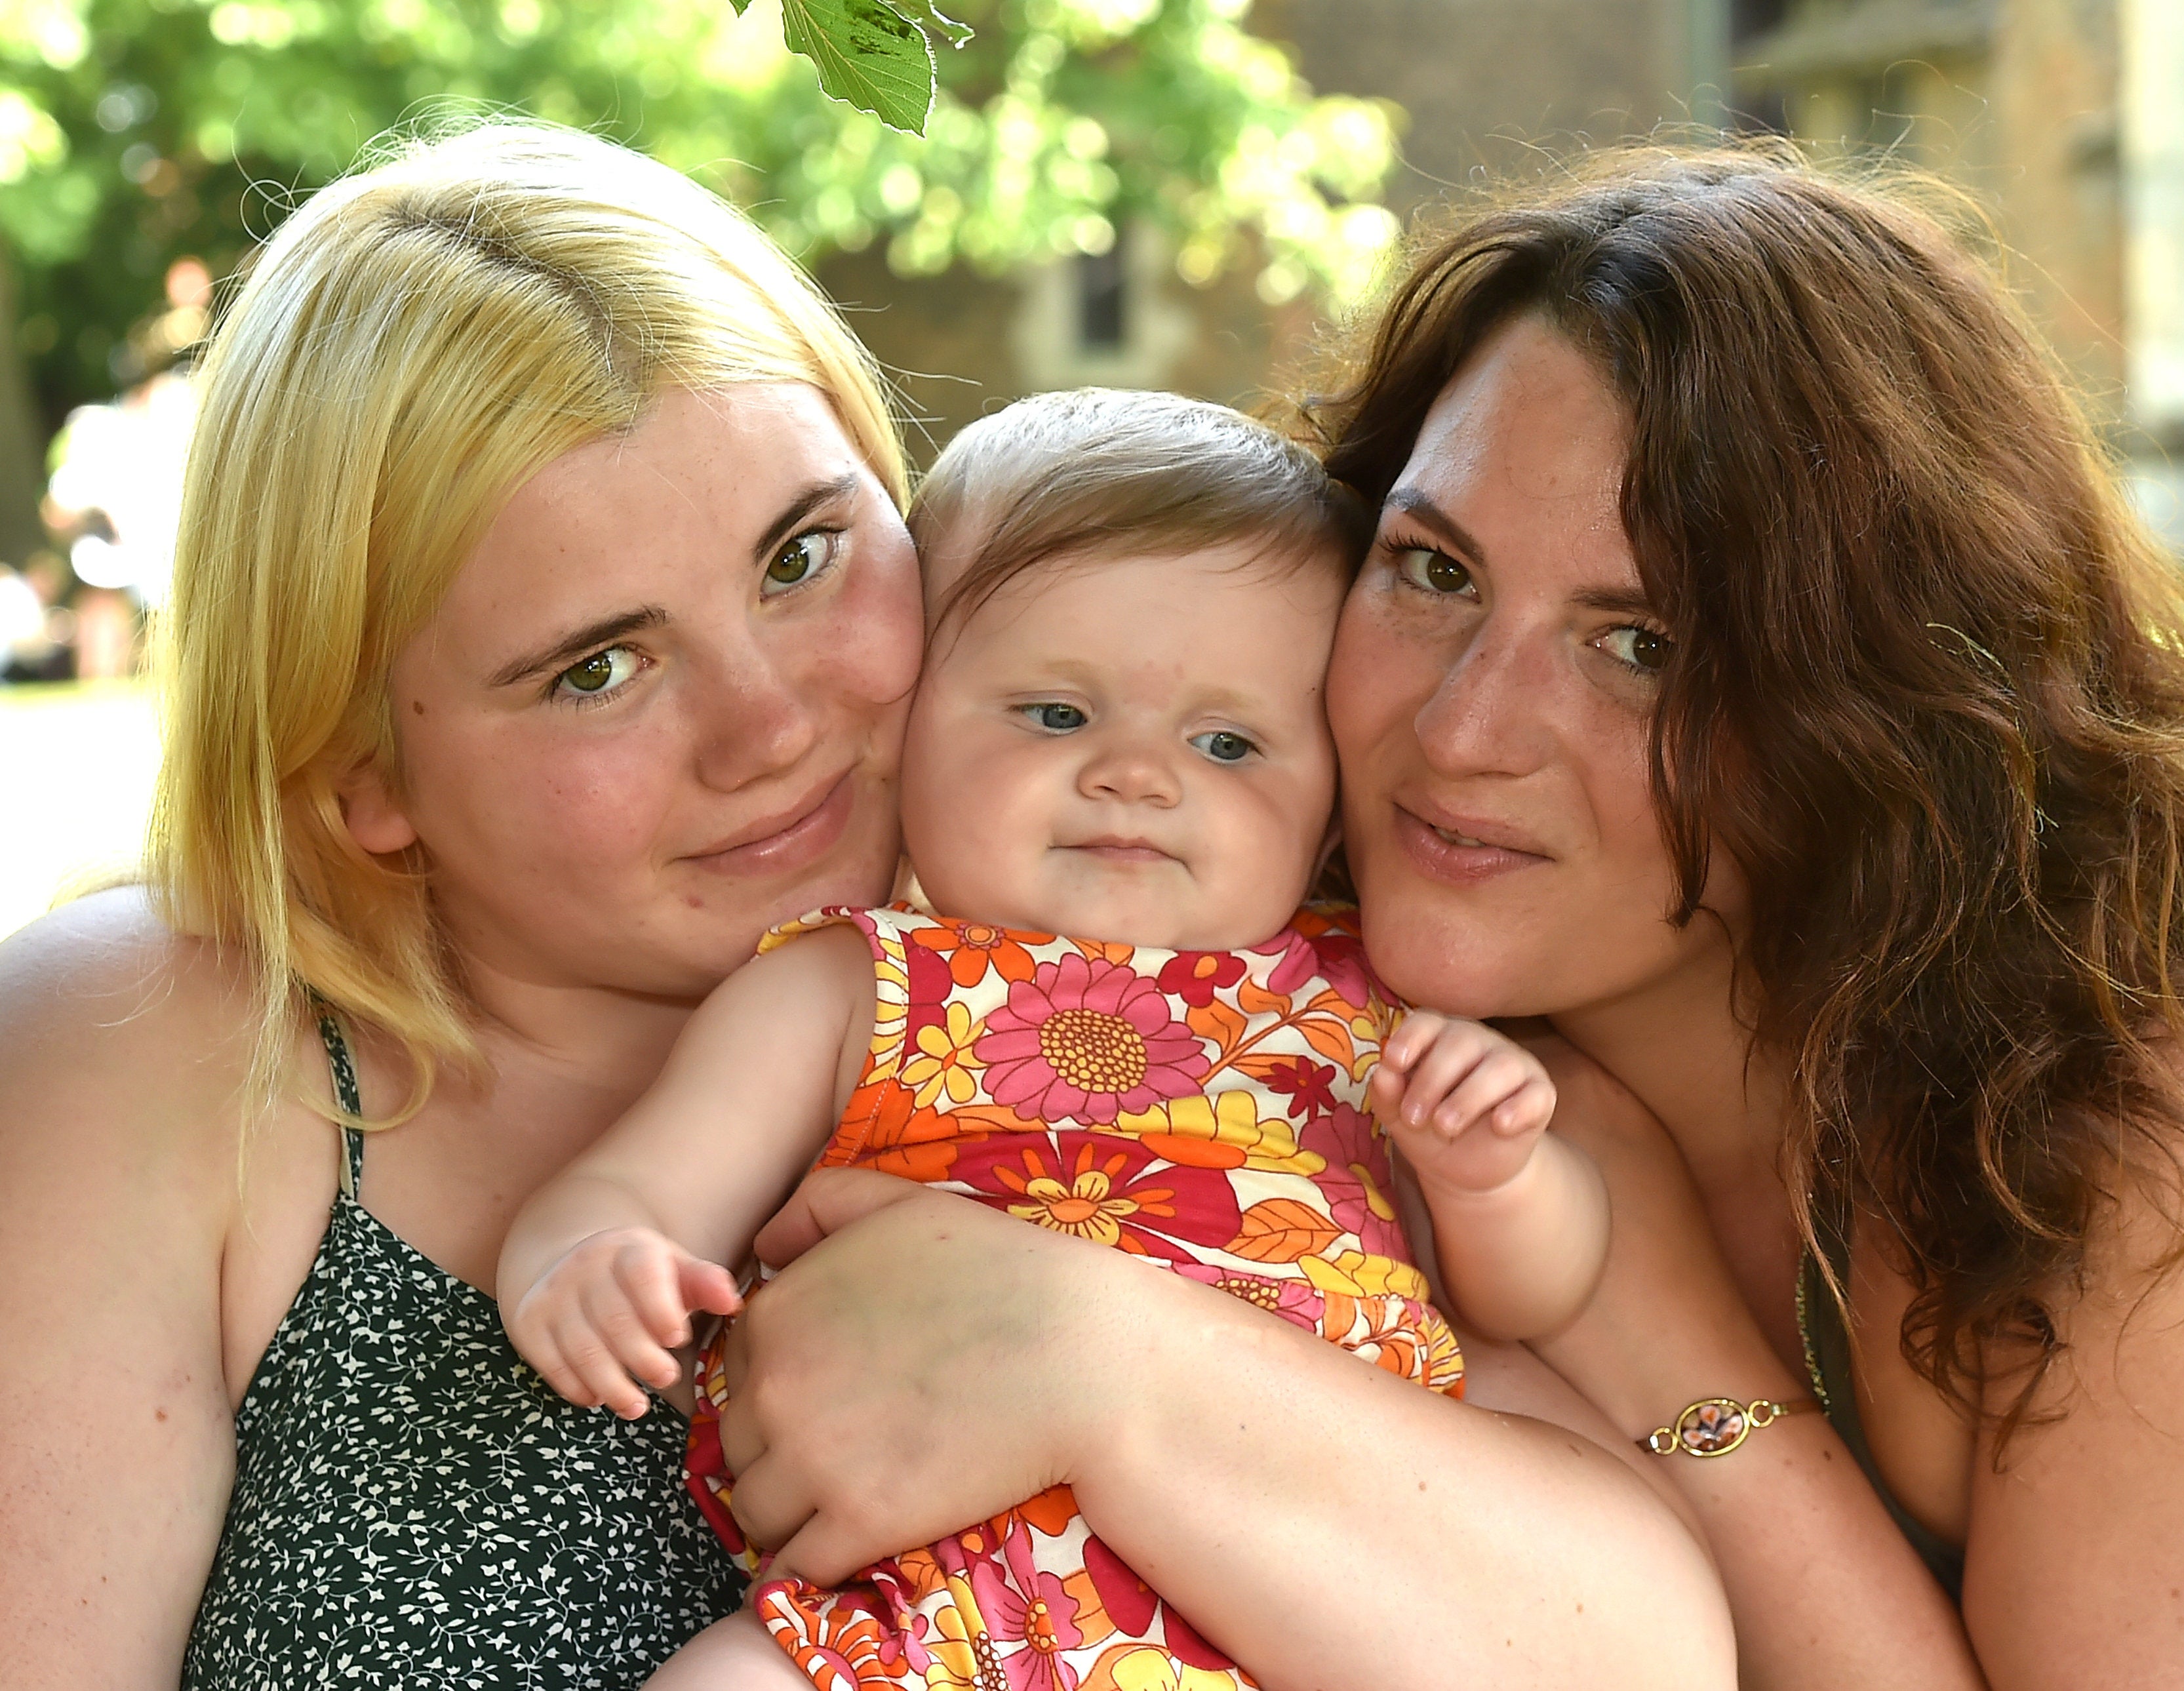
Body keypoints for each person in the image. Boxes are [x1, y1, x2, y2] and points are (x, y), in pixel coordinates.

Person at [707, 147, 2184, 1688]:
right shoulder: (1247, 969)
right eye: (1433, 570)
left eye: (1642, 646)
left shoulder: (2153, 1142)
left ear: (1886, 707)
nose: (1463, 730)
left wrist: (1648, 1322)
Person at [498, 386, 1612, 1689]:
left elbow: (1532, 1296)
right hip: (927, 1614)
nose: (1138, 774)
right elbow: (643, 1182)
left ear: (1323, 805)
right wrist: (593, 1260)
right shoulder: (860, 984)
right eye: (1056, 715)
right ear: (911, 725)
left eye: (1228, 741)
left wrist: (1497, 1178)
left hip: (1290, 1598)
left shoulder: (1361, 1003)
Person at [0, 121, 924, 1687]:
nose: (770, 725)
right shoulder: (164, 1051)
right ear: (361, 774)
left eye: (802, 556)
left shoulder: (1156, 987)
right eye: (598, 669)